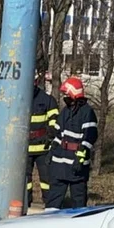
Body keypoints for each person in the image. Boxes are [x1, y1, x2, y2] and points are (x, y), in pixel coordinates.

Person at [46, 76, 98, 210]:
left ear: (74, 93)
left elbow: (89, 137)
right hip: (60, 162)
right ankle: (48, 223)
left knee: (78, 201)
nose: (64, 97)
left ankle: (77, 226)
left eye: (66, 94)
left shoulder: (87, 112)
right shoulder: (65, 111)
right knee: (53, 199)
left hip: (76, 165)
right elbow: (59, 134)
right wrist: (52, 150)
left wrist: (80, 158)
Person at [26, 71, 59, 208]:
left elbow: (54, 121)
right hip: (24, 147)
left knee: (46, 179)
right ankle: (25, 203)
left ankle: (50, 206)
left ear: (36, 81)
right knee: (24, 179)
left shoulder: (47, 100)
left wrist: (50, 135)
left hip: (42, 147)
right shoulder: (19, 99)